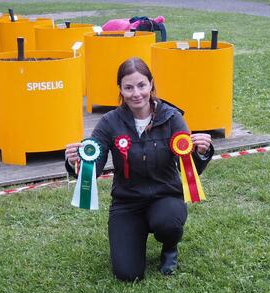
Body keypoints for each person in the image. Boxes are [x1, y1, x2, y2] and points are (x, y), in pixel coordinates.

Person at [65, 57, 213, 281]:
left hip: (165, 195)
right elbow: (92, 170)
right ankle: (134, 234)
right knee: (127, 274)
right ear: (121, 90)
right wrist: (76, 161)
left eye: (141, 85)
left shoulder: (173, 118)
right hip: (127, 202)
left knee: (168, 223)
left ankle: (170, 246)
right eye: (129, 87)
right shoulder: (109, 122)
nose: (136, 93)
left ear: (151, 84)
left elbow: (190, 169)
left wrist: (201, 152)